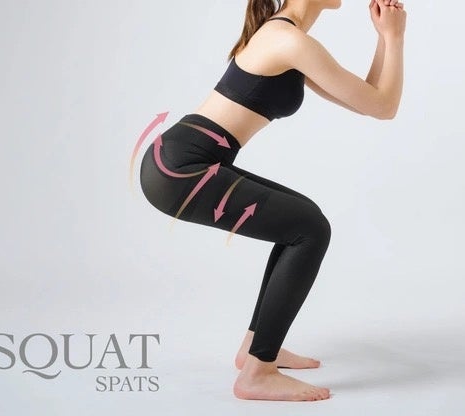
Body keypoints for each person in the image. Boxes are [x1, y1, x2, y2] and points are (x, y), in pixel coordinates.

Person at [139, 0, 406, 402]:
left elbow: (371, 102)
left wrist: (384, 37)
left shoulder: (288, 38)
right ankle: (258, 373)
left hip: (182, 162)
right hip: (180, 169)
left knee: (303, 220)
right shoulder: (288, 40)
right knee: (309, 229)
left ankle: (256, 347)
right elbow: (384, 106)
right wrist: (394, 37)